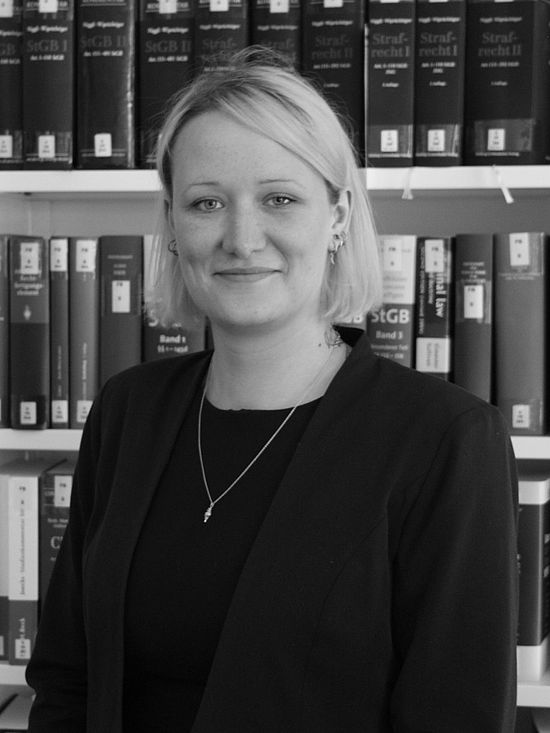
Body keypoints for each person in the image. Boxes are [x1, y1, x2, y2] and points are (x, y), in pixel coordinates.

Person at [26, 48, 518, 732]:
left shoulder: (445, 440)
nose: (241, 237)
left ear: (338, 214)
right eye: (206, 203)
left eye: (279, 198)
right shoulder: (127, 409)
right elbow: (67, 680)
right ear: (173, 225)